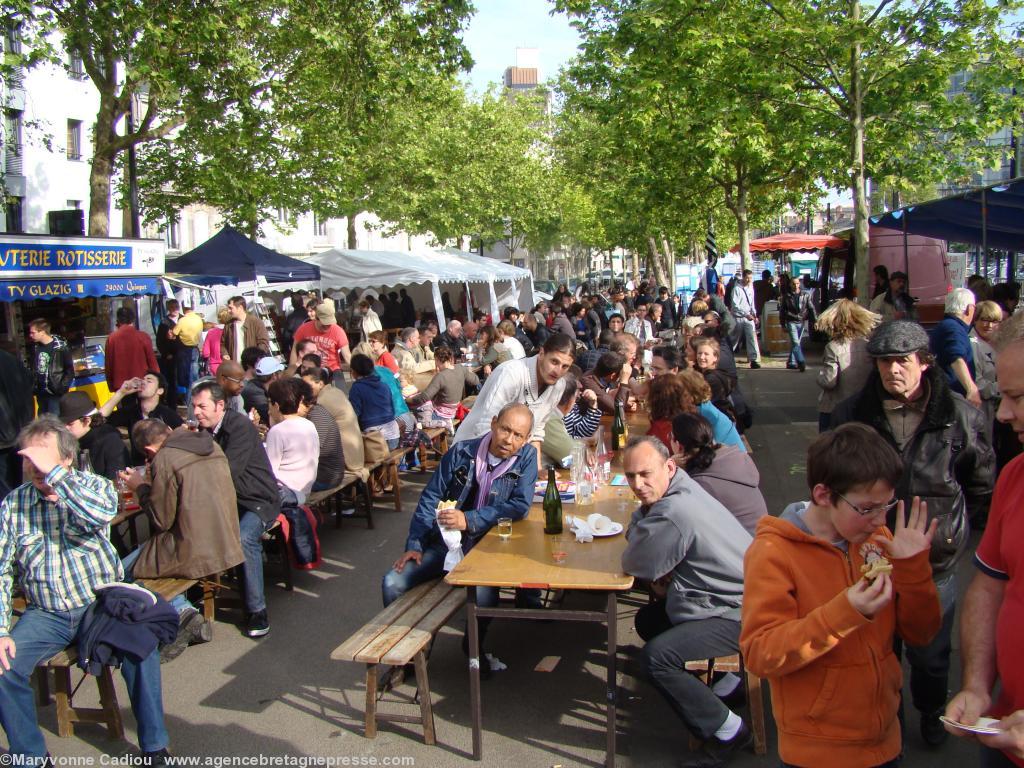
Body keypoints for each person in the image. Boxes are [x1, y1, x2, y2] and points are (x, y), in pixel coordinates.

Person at [830, 319, 994, 746]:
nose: (891, 371)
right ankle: (891, 719)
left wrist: (948, 534)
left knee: (932, 655)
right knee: (880, 648)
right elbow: (831, 484)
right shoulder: (851, 415)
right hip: (873, 555)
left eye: (901, 360)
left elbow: (979, 484)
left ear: (924, 362)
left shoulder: (961, 417)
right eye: (883, 362)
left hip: (932, 559)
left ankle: (931, 712)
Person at [741, 423, 941, 768]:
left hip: (886, 740)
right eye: (866, 508)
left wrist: (913, 569)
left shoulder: (875, 538)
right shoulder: (774, 552)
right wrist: (845, 612)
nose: (879, 519)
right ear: (823, 495)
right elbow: (761, 654)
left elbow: (922, 633)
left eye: (886, 506)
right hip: (818, 752)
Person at [0, 416, 172, 762]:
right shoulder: (13, 505)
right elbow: (2, 570)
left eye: (42, 457)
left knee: (141, 650)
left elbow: (101, 513)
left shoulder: (92, 487)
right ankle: (29, 756)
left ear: (66, 459)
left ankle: (154, 746)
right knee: (3, 665)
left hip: (100, 604)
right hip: (47, 612)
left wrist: (57, 478)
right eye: (29, 458)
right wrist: (1, 630)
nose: (35, 467)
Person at [620, 436, 752, 767]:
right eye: (631, 476)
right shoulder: (683, 487)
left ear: (669, 466)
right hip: (736, 597)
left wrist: (639, 524)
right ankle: (726, 684)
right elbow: (646, 545)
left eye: (645, 474)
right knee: (649, 620)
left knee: (655, 659)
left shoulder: (675, 509)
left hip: (741, 613)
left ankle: (727, 730)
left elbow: (636, 563)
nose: (638, 484)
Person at [382, 403, 538, 668]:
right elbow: (430, 498)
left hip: (487, 550)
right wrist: (415, 544)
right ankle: (409, 656)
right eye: (505, 430)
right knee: (392, 583)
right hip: (444, 544)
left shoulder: (527, 457)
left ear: (526, 439)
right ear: (493, 423)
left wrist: (470, 519)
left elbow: (520, 505)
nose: (509, 440)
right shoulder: (461, 452)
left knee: (485, 597)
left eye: (518, 435)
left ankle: (473, 649)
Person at [945, 311, 1024, 765]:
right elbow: (990, 585)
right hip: (1004, 737)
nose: (1005, 412)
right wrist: (976, 684)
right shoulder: (1015, 477)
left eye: (1017, 396)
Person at [120, 419, 244, 656]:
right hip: (224, 537)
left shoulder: (165, 459)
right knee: (139, 561)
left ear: (148, 450)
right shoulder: (211, 445)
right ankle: (185, 614)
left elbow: (161, 520)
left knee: (123, 572)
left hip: (193, 548)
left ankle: (181, 614)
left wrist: (140, 487)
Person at [191, 380, 281, 638]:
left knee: (244, 538)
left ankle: (257, 610)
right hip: (229, 500)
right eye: (194, 406)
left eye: (202, 406)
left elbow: (226, 472)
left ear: (220, 405)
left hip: (258, 499)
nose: (197, 412)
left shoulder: (238, 427)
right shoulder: (205, 430)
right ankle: (193, 591)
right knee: (190, 524)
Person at [453, 334, 575, 454]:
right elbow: (485, 427)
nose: (558, 371)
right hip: (467, 454)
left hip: (508, 459)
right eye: (554, 362)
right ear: (542, 354)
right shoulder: (512, 374)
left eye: (565, 366)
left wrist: (536, 470)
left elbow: (537, 430)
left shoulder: (559, 385)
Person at [669, 413, 765, 535]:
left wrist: (670, 470)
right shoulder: (734, 458)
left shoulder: (701, 483)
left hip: (745, 549)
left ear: (678, 445)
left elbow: (676, 518)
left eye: (670, 436)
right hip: (763, 539)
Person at [814, 298, 879, 433]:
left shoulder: (833, 347)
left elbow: (829, 381)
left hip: (835, 407)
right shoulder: (869, 346)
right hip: (863, 405)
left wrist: (819, 376)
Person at [299, 363, 365, 486]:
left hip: (346, 460)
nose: (304, 389)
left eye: (307, 385)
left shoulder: (322, 401)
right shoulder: (335, 391)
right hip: (355, 453)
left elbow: (316, 441)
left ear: (320, 384)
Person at [101, 370, 183, 462]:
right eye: (142, 380)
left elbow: (185, 440)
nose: (143, 382)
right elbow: (99, 420)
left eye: (149, 381)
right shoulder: (132, 412)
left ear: (160, 390)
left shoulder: (169, 415)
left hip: (164, 467)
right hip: (138, 469)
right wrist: (121, 393)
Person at [265, 378, 319, 508]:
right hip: (305, 489)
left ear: (276, 406)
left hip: (288, 492)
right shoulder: (309, 424)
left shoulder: (277, 431)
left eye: (269, 404)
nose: (268, 410)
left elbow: (270, 471)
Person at [59, 390, 128, 481]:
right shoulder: (66, 440)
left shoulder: (110, 439)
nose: (65, 428)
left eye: (70, 424)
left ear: (87, 421)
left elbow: (117, 477)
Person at [930, 287, 981, 407]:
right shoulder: (953, 328)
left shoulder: (946, 325)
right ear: (970, 309)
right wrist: (971, 388)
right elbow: (956, 357)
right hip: (952, 398)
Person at [407, 346, 478, 428]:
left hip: (440, 415)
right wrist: (466, 372)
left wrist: (409, 400)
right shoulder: (461, 368)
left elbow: (424, 397)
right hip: (454, 411)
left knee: (413, 415)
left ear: (437, 359)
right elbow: (476, 380)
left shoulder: (441, 376)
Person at [291, 299, 351, 387]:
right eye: (324, 323)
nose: (327, 326)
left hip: (332, 370)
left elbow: (347, 355)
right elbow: (294, 351)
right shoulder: (304, 329)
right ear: (317, 319)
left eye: (329, 324)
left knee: (341, 393)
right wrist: (292, 369)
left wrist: (360, 373)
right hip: (310, 369)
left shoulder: (338, 331)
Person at [348, 353, 400, 450]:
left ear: (354, 372)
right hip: (394, 436)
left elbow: (354, 414)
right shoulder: (383, 385)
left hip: (374, 439)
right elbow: (392, 410)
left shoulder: (356, 388)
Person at [0, 348, 34, 491]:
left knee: (5, 488)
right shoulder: (10, 359)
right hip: (19, 431)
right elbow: (29, 385)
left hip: (4, 436)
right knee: (16, 483)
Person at [105, 306, 158, 392]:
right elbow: (152, 362)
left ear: (118, 320)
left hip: (121, 386)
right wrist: (157, 382)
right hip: (142, 383)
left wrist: (111, 385)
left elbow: (109, 364)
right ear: (133, 320)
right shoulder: (143, 336)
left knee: (127, 405)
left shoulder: (112, 338)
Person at [28, 318, 75, 416]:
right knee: (43, 422)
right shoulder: (35, 347)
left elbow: (69, 370)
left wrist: (62, 387)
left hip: (55, 393)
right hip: (41, 393)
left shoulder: (60, 347)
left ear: (42, 332)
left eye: (33, 332)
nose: (30, 335)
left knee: (55, 422)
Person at [779, 276, 817, 372]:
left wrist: (815, 321)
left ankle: (791, 362)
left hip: (801, 321)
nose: (796, 285)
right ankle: (801, 362)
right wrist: (782, 324)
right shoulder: (786, 296)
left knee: (795, 343)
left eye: (797, 283)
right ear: (790, 284)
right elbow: (782, 311)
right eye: (794, 283)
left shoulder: (805, 295)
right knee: (796, 342)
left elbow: (811, 308)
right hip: (791, 321)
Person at [580, 351, 633, 415]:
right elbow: (617, 410)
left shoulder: (596, 377)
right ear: (612, 376)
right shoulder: (588, 382)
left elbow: (610, 403)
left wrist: (624, 404)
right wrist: (624, 381)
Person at [221, 295, 271, 363]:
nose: (228, 311)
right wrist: (225, 353)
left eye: (231, 308)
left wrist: (254, 358)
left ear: (240, 307)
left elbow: (263, 342)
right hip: (235, 367)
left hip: (252, 366)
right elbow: (222, 344)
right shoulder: (228, 325)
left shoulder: (256, 322)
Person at [729, 270, 761, 369]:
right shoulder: (736, 289)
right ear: (743, 277)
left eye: (751, 278)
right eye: (747, 278)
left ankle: (753, 360)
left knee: (751, 338)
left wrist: (755, 314)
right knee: (735, 339)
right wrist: (745, 314)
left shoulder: (751, 288)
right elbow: (735, 306)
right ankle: (729, 357)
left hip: (749, 317)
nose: (749, 280)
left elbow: (752, 303)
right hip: (738, 317)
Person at [156, 301, 183, 408]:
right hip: (170, 357)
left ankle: (185, 400)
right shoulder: (164, 322)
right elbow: (160, 341)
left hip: (183, 355)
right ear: (168, 308)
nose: (175, 309)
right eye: (172, 307)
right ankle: (172, 404)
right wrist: (166, 353)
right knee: (171, 381)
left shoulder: (183, 319)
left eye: (176, 306)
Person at [243, 356, 283, 426]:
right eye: (280, 372)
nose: (282, 375)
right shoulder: (254, 392)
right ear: (274, 375)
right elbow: (271, 416)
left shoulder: (260, 388)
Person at [200, 307, 232, 377]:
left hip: (215, 367)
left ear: (218, 318)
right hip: (231, 365)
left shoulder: (211, 332)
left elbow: (206, 353)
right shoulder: (232, 331)